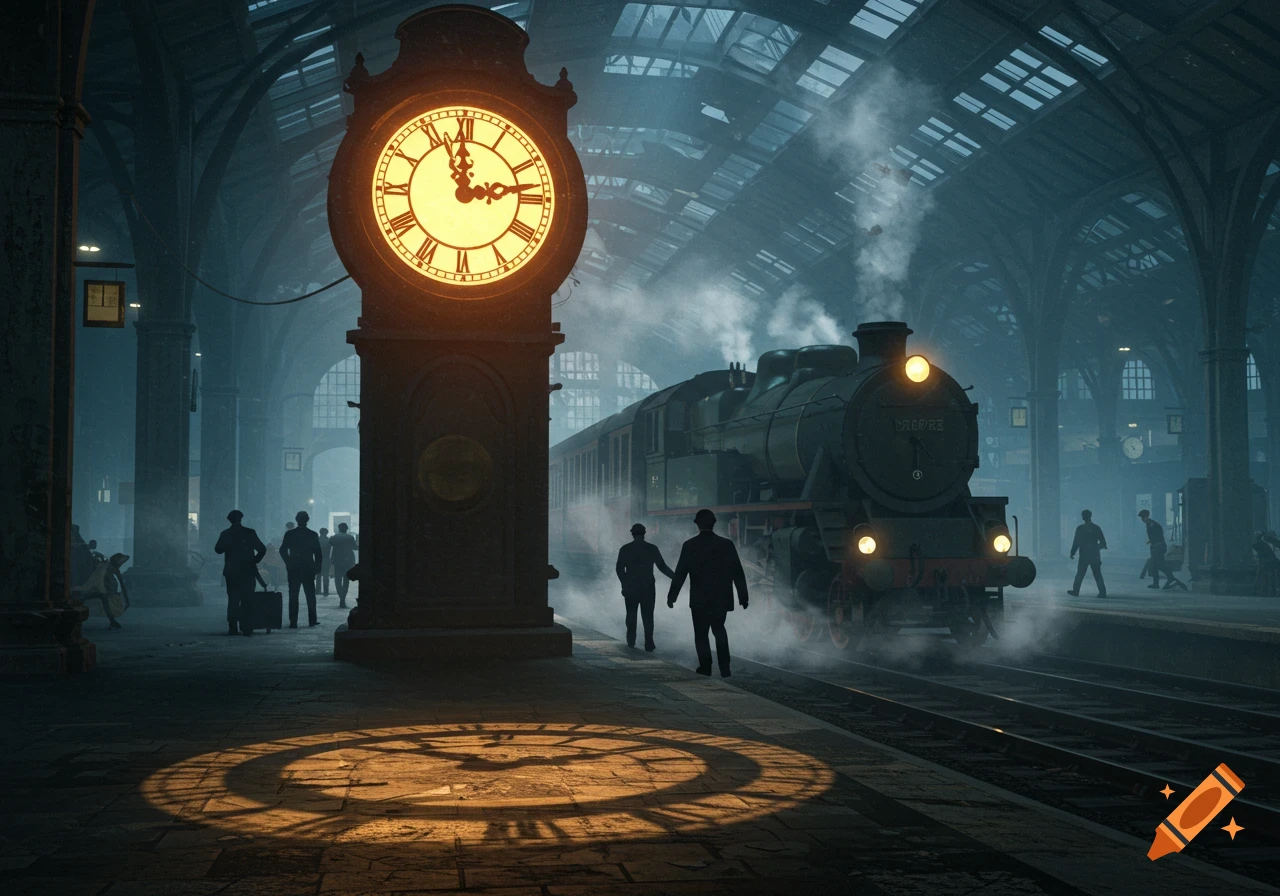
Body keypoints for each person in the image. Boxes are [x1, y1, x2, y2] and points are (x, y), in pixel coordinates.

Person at [667, 509, 748, 678]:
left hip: (699, 599)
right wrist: (743, 596)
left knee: (701, 634)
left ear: (697, 524)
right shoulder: (726, 545)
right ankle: (725, 668)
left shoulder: (689, 545)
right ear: (714, 523)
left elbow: (680, 573)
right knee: (719, 630)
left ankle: (705, 667)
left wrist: (672, 596)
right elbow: (737, 572)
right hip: (721, 598)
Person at [615, 523, 675, 651]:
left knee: (631, 614)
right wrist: (675, 578)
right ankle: (649, 642)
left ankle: (631, 640)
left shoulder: (625, 549)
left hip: (631, 587)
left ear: (632, 534)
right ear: (644, 533)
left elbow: (619, 569)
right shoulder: (652, 548)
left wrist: (624, 584)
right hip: (648, 587)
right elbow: (662, 567)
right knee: (648, 616)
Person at [214, 509, 267, 636]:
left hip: (232, 571)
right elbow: (262, 549)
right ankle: (247, 626)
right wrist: (254, 561)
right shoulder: (249, 533)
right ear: (241, 518)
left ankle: (233, 627)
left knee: (233, 599)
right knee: (247, 599)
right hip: (247, 571)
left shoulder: (225, 533)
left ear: (229, 519)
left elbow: (218, 550)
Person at [279, 511, 323, 627]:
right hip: (308, 567)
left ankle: (293, 621)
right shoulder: (312, 534)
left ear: (296, 520)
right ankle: (312, 620)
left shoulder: (290, 534)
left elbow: (282, 550)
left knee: (293, 595)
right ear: (307, 520)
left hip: (294, 568)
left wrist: (289, 562)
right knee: (310, 595)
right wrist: (317, 568)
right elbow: (318, 553)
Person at [73, 553, 130, 630]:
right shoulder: (105, 567)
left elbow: (121, 586)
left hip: (103, 590)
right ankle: (112, 621)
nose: (121, 565)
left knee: (102, 599)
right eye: (121, 563)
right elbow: (98, 579)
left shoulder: (106, 567)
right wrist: (127, 600)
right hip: (99, 589)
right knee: (98, 598)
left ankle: (112, 621)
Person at [1138, 509, 1184, 590]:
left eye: (1142, 518)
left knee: (1159, 565)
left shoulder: (1152, 525)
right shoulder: (1150, 524)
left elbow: (1158, 536)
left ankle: (1171, 577)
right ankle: (1156, 583)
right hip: (1156, 547)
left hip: (1158, 548)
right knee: (1155, 565)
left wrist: (1154, 543)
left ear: (1146, 517)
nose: (1142, 520)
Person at [1067, 509, 1107, 598]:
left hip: (1084, 555)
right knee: (1097, 574)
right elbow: (1103, 543)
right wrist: (1096, 549)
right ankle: (1102, 592)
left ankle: (1076, 591)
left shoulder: (1080, 528)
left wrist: (1072, 553)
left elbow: (1076, 542)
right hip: (1095, 555)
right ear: (1090, 516)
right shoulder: (1096, 528)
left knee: (1080, 574)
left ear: (1082, 517)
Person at [329, 523, 359, 608]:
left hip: (337, 560)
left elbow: (330, 544)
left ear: (339, 529)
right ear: (346, 529)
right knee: (346, 580)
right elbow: (355, 548)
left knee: (337, 580)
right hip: (348, 561)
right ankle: (343, 598)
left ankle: (341, 597)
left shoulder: (334, 538)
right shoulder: (350, 537)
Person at [316, 527, 331, 597]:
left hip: (318, 559)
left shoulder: (317, 540)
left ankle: (318, 590)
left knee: (318, 575)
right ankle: (326, 591)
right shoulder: (328, 540)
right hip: (326, 559)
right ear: (326, 533)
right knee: (326, 575)